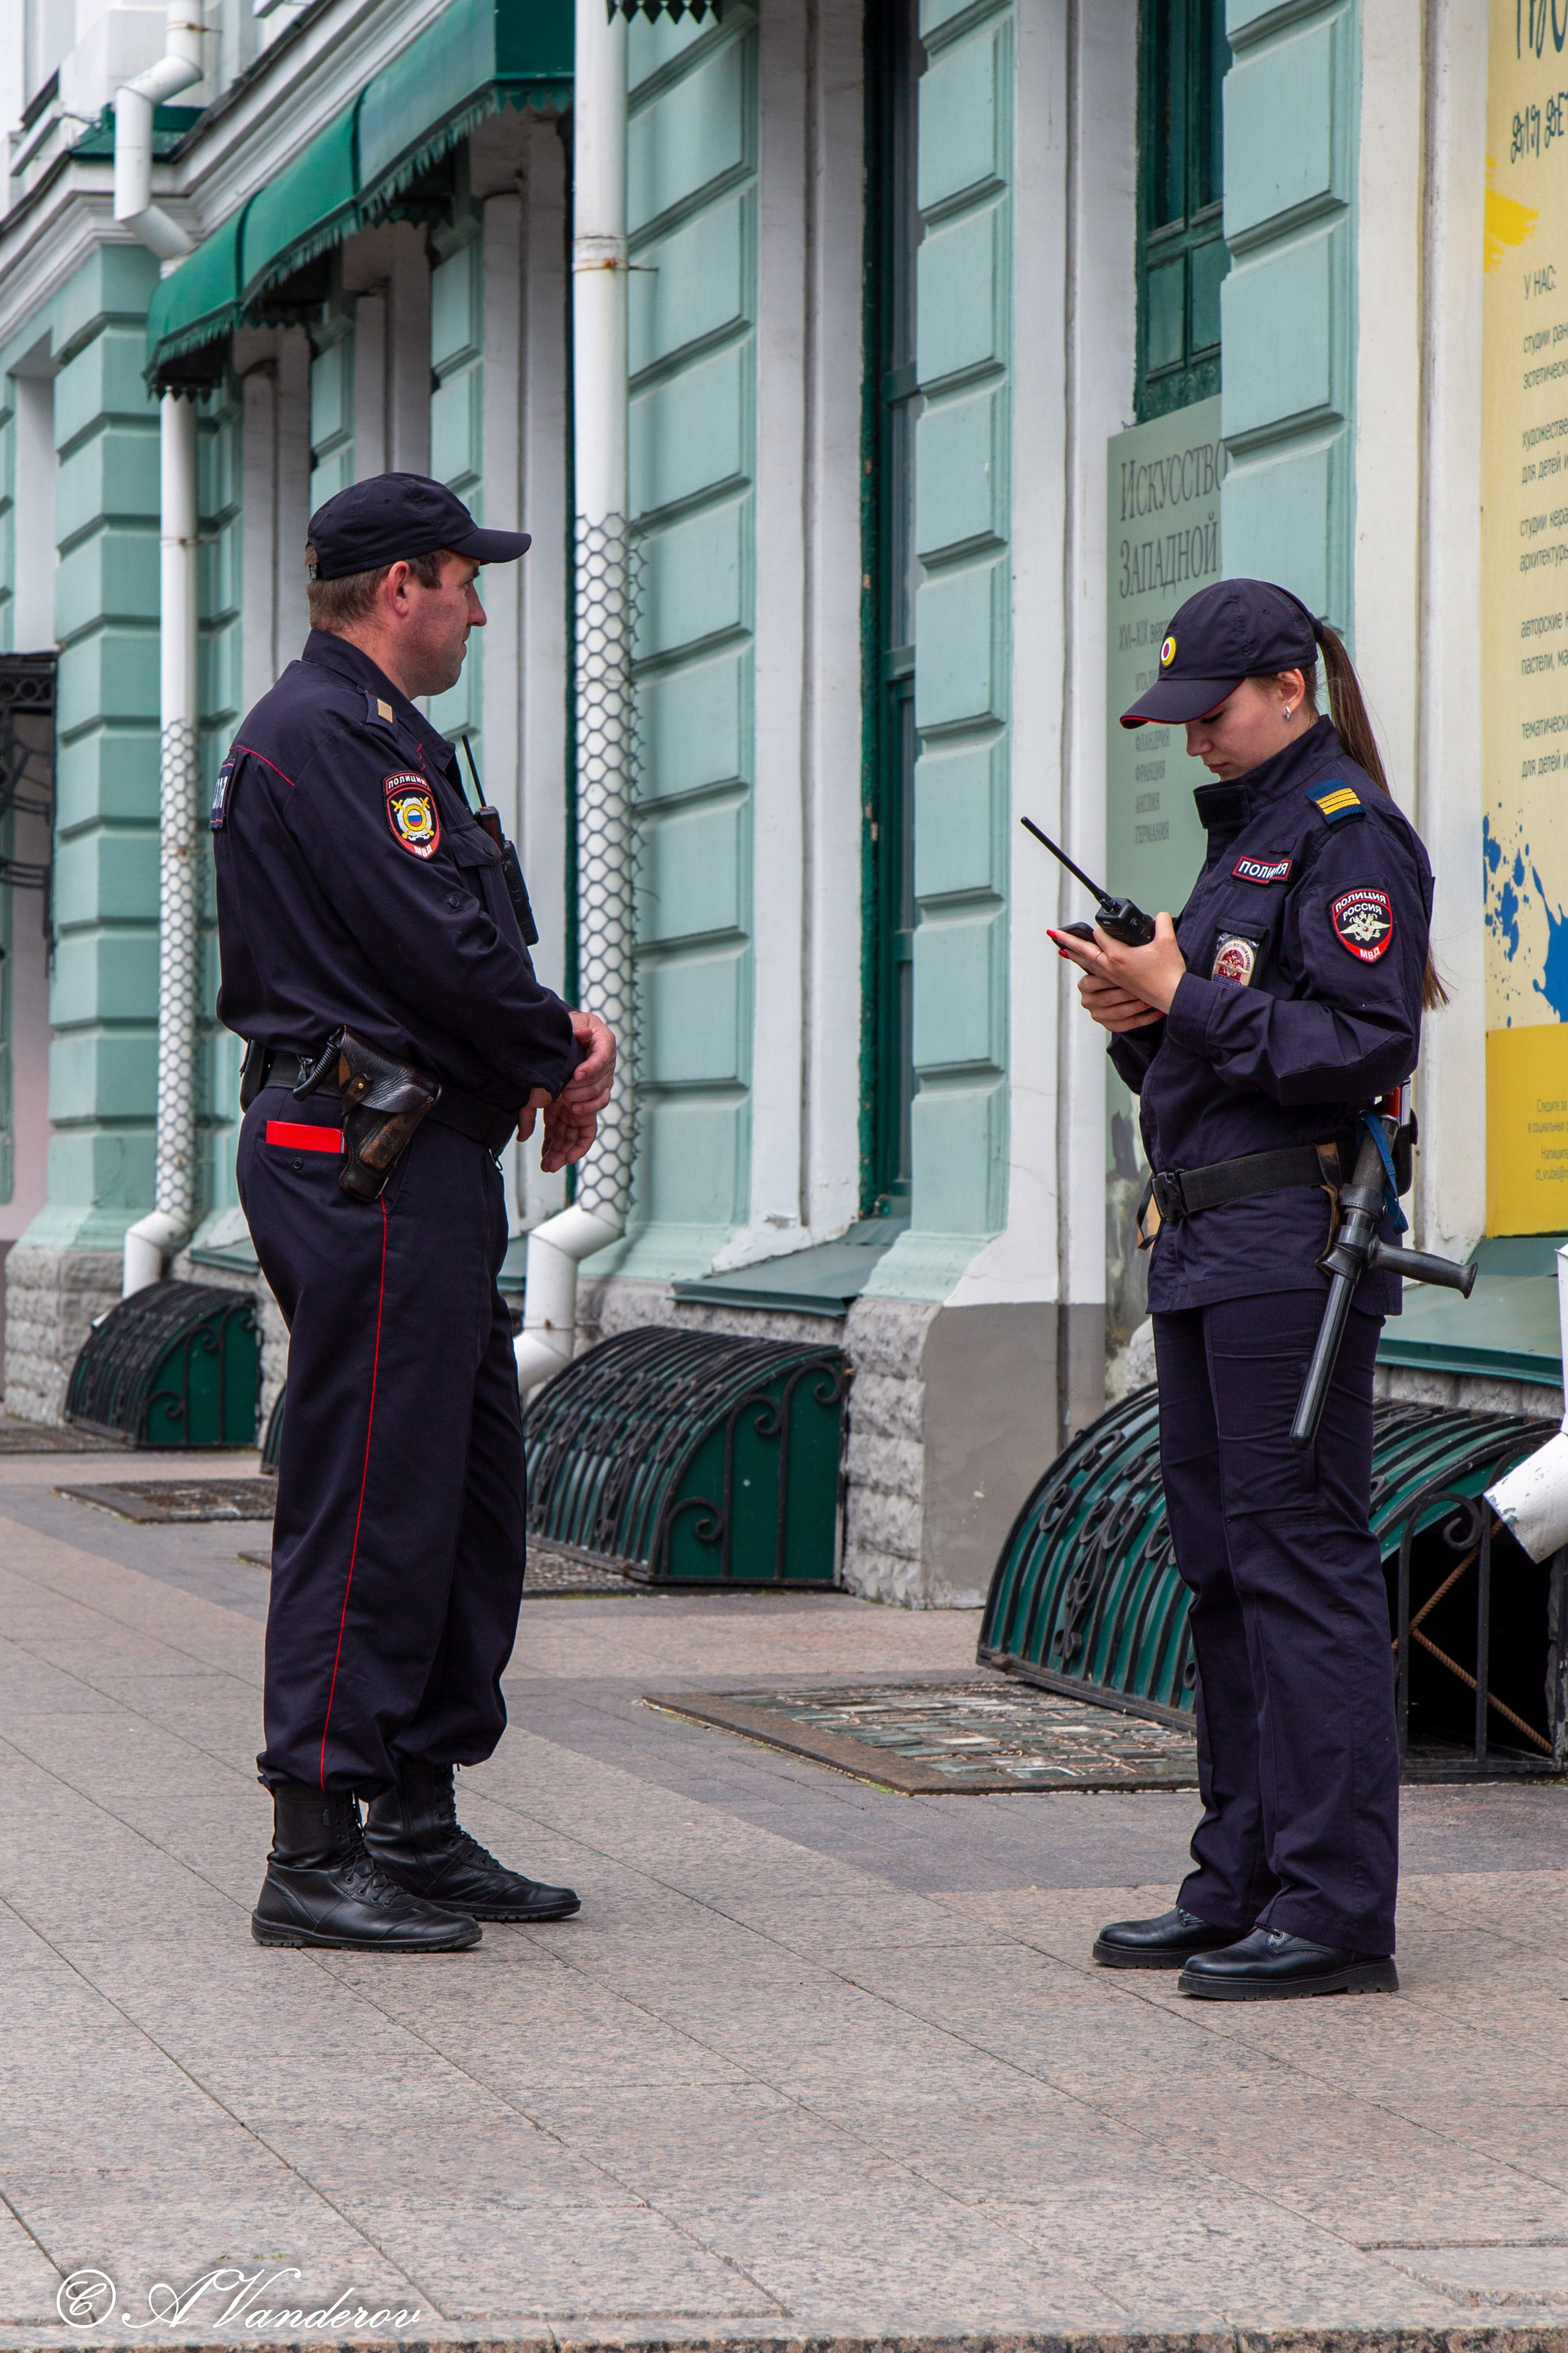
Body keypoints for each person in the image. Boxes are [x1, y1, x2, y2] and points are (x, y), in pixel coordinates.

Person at [213, 471, 616, 1953]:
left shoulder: (383, 737)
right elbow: (443, 949)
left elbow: (458, 944)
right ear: (401, 588)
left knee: (457, 1501)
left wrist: (541, 1058)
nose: (479, 603)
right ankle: (312, 1842)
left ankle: (416, 1817)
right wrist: (558, 1054)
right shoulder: (330, 735)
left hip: (419, 1152)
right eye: (464, 577)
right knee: (374, 1491)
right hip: (359, 1152)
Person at [1054, 578, 1441, 2001]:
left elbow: (1355, 1045)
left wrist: (1183, 992)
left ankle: (1335, 1909)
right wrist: (1136, 1015)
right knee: (1222, 1571)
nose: (1188, 741)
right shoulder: (1247, 846)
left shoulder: (1348, 838)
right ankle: (1241, 1879)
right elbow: (1215, 1071)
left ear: (1289, 685)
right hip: (1210, 1241)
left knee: (1299, 1564)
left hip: (1291, 1246)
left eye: (1205, 714)